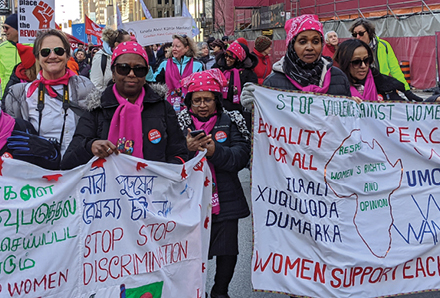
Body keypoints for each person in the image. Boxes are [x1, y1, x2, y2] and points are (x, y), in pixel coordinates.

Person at [177, 68, 250, 298]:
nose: (202, 105)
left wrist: (214, 151)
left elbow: (241, 156)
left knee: (227, 251)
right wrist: (186, 151)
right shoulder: (179, 124)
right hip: (191, 199)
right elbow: (171, 159)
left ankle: (220, 291)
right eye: (196, 100)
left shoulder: (231, 119)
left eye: (207, 99)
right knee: (192, 252)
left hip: (226, 198)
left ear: (216, 99)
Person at [60, 41, 188, 170]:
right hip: (107, 188)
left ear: (146, 74)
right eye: (123, 68)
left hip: (154, 188)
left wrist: (165, 174)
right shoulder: (97, 110)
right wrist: (90, 147)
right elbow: (68, 162)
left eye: (139, 70)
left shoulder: (162, 108)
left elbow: (180, 152)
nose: (131, 74)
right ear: (113, 72)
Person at [3, 29, 96, 168]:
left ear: (67, 55)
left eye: (58, 51)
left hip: (77, 176)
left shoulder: (86, 88)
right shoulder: (18, 95)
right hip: (38, 181)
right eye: (45, 52)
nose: (52, 56)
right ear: (37, 57)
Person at [241, 14, 351, 111]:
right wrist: (254, 107)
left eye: (316, 41)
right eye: (302, 42)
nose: (310, 47)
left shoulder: (338, 78)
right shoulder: (273, 83)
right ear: (292, 45)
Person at [349, 18, 423, 102]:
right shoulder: (351, 49)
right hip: (362, 89)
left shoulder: (384, 46)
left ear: (369, 32)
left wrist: (406, 90)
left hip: (383, 88)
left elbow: (395, 69)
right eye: (354, 34)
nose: (358, 37)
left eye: (361, 33)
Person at [334, 39, 409, 102]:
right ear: (344, 63)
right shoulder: (333, 88)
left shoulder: (382, 84)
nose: (363, 66)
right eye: (356, 62)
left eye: (367, 60)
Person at [213, 41, 258, 132]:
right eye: (226, 55)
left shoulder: (248, 74)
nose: (227, 59)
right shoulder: (218, 69)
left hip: (240, 113)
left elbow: (251, 95)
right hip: (220, 111)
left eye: (231, 57)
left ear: (238, 59)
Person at [153, 35, 203, 111]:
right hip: (169, 107)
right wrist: (148, 70)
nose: (174, 49)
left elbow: (201, 86)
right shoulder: (165, 63)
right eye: (172, 46)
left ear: (186, 48)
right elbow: (154, 80)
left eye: (177, 46)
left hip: (190, 107)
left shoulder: (197, 64)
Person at [0, 14, 20, 95]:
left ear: (17, 29)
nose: (4, 30)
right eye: (3, 27)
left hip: (29, 95)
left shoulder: (33, 47)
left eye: (7, 28)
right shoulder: (1, 48)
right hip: (7, 95)